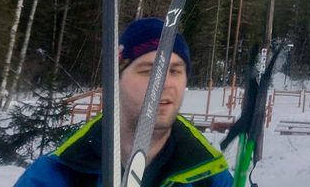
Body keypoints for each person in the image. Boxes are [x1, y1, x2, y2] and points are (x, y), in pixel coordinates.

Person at [15, 17, 232, 187]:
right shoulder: (56, 175)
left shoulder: (210, 177)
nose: (165, 83)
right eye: (149, 70)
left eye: (175, 70)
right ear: (116, 80)